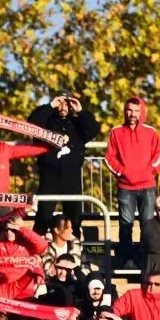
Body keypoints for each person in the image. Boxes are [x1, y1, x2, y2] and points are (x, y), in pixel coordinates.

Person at [104, 97, 160, 269]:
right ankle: (127, 260)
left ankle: (146, 260)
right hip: (125, 187)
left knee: (148, 225)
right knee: (125, 225)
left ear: (142, 112)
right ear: (125, 111)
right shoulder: (116, 132)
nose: (132, 114)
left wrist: (150, 171)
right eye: (129, 110)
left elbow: (158, 154)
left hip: (148, 186)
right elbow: (109, 157)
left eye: (136, 111)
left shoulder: (151, 132)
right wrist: (122, 172)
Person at [28, 93, 100, 233]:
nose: (63, 106)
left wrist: (80, 111)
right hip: (49, 175)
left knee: (74, 216)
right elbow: (31, 124)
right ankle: (38, 247)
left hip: (71, 175)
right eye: (60, 103)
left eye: (66, 103)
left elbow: (93, 129)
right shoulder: (47, 121)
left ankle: (75, 247)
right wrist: (50, 106)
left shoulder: (77, 123)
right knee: (44, 214)